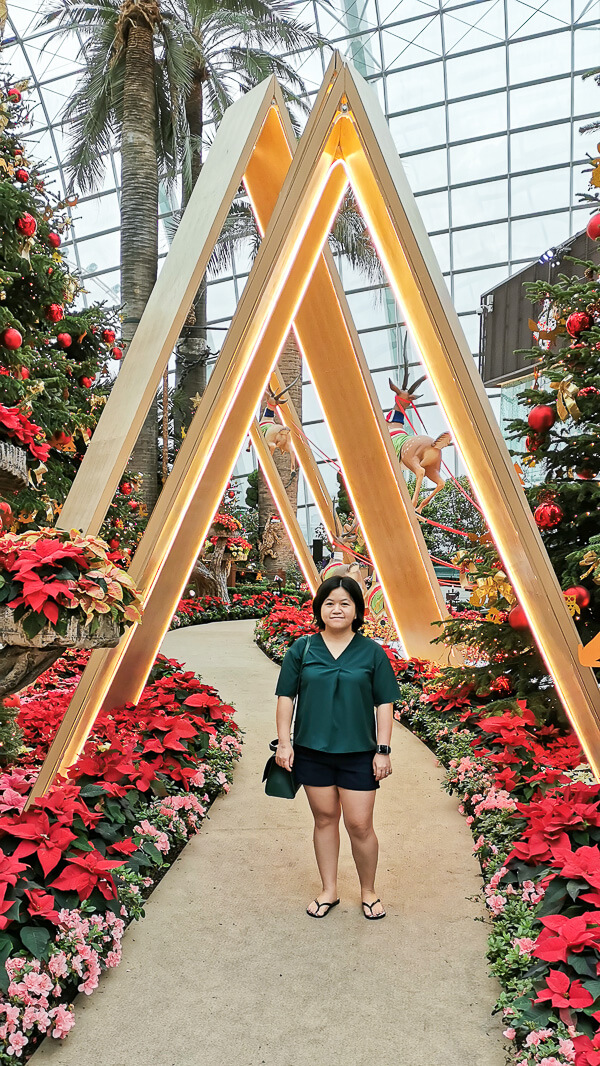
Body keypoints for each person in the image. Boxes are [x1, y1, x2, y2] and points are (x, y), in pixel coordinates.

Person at [274, 575, 399, 921]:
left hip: (359, 753)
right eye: (329, 602)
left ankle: (368, 891)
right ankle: (329, 889)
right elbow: (286, 697)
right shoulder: (302, 649)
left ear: (357, 609)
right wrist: (284, 744)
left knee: (360, 824)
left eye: (345, 602)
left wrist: (383, 749)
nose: (337, 609)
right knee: (325, 819)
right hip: (312, 751)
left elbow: (385, 703)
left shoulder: (372, 652)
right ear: (320, 608)